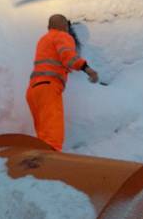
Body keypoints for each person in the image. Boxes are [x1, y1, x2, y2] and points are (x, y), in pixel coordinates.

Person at [26, 14, 98, 151]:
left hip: (33, 90)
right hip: (48, 87)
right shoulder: (62, 36)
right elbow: (68, 57)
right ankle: (51, 165)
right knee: (53, 136)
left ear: (48, 27)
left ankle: (40, 165)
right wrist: (87, 69)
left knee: (43, 136)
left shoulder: (43, 39)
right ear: (65, 26)